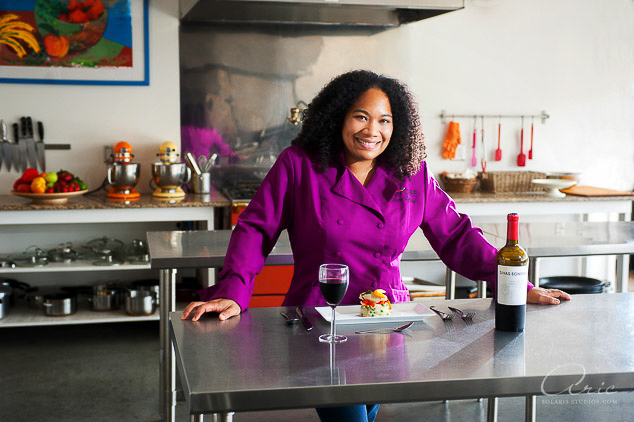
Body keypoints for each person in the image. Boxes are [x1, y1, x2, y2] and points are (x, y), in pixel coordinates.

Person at [182, 70, 571, 422]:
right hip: (322, 322)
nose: (373, 130)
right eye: (361, 116)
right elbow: (255, 228)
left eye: (385, 120)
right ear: (338, 118)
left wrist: (517, 285)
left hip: (389, 322)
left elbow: (455, 235)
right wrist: (234, 291)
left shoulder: (411, 170)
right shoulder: (299, 164)